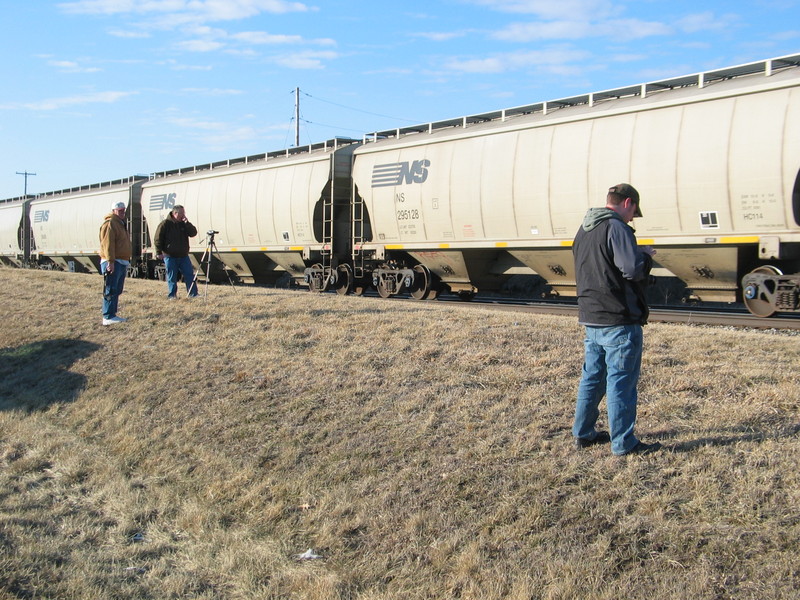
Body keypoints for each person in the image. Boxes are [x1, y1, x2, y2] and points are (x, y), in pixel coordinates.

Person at [571, 183, 661, 456]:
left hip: (592, 316)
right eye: (634, 211)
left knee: (593, 378)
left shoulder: (584, 228)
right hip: (619, 318)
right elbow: (631, 269)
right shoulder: (617, 227)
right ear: (627, 203)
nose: (633, 217)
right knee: (621, 381)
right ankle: (624, 443)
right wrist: (645, 257)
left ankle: (583, 433)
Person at [154, 205, 199, 299]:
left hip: (183, 255)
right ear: (175, 213)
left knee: (189, 275)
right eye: (182, 213)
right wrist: (159, 252)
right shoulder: (165, 224)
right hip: (170, 256)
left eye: (184, 213)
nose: (184, 215)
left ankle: (193, 294)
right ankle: (172, 295)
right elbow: (158, 239)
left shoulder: (183, 224)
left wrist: (187, 223)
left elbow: (193, 233)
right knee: (172, 277)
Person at [99, 201, 132, 326]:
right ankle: (107, 316)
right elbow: (108, 244)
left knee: (117, 289)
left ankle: (112, 314)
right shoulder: (110, 224)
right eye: (120, 210)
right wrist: (110, 261)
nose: (123, 212)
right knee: (111, 288)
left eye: (124, 210)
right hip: (114, 261)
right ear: (114, 211)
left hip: (121, 261)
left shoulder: (120, 223)